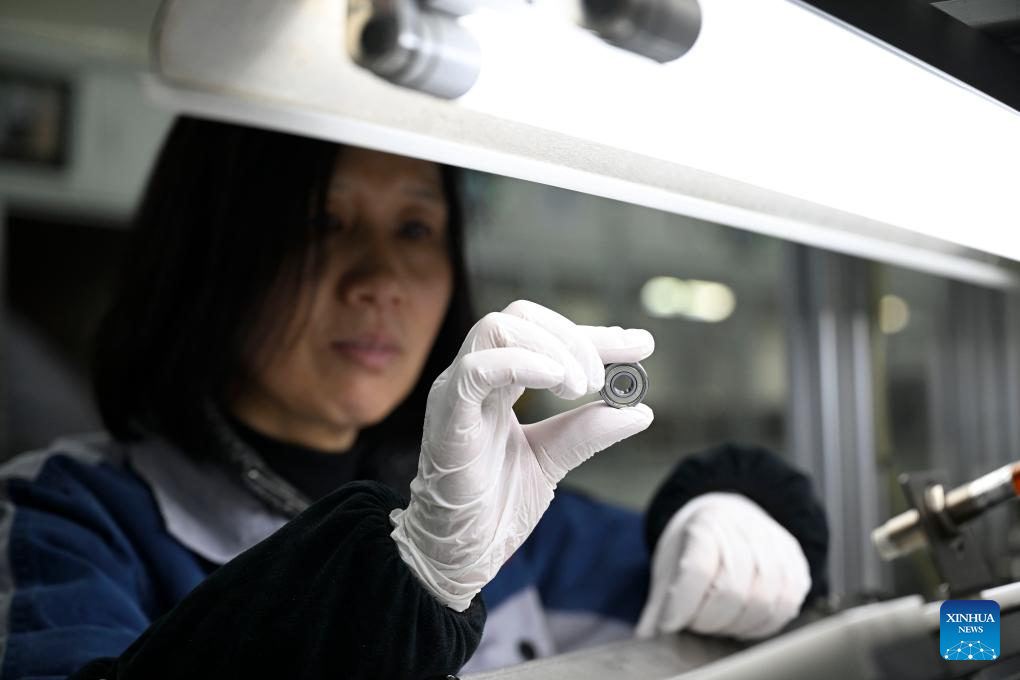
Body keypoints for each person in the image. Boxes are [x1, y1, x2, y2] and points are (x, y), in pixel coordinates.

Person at [0, 117, 828, 680]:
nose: (381, 280)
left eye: (414, 230)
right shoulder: (66, 517)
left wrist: (733, 507)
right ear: (211, 253)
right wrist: (405, 574)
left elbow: (673, 568)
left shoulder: (492, 509)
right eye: (322, 223)